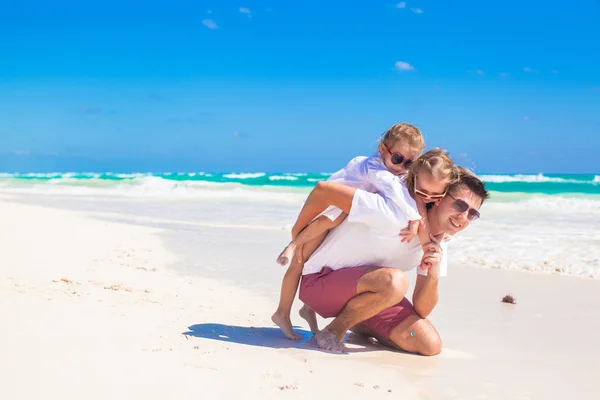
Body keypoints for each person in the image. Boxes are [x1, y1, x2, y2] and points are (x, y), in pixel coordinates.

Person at [271, 124, 454, 340]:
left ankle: (307, 309)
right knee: (300, 260)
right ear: (383, 149)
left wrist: (425, 231)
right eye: (397, 159)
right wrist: (298, 228)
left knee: (322, 251)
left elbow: (414, 197)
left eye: (410, 163)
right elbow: (398, 193)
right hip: (327, 211)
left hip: (342, 212)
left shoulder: (400, 174)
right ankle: (282, 311)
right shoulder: (374, 167)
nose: (402, 166)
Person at [295, 167, 489, 354]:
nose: (463, 217)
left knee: (430, 344)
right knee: (396, 282)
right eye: (460, 205)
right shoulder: (394, 213)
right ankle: (334, 330)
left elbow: (423, 308)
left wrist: (433, 273)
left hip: (369, 292)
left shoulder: (439, 241)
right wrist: (296, 238)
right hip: (319, 284)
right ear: (439, 197)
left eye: (472, 214)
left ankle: (358, 320)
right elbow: (327, 192)